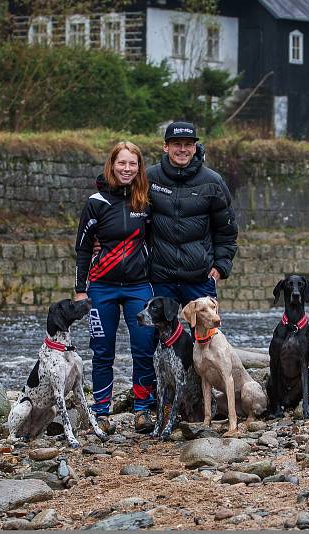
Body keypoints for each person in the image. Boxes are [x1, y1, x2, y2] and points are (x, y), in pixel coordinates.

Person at [74, 141, 156, 434]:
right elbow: (82, 249)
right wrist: (80, 290)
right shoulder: (96, 201)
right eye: (122, 163)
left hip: (139, 287)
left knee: (144, 348)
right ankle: (101, 413)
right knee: (103, 351)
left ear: (139, 167)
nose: (127, 169)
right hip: (101, 288)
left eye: (132, 164)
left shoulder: (146, 200)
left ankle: (143, 410)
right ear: (112, 165)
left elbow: (158, 238)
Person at [147, 121, 239, 306]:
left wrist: (221, 267)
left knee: (205, 335)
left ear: (195, 147)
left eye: (188, 144)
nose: (183, 149)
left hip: (200, 279)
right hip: (160, 279)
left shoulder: (213, 182)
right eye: (177, 144)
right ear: (166, 146)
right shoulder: (149, 178)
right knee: (157, 335)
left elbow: (226, 230)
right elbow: (129, 217)